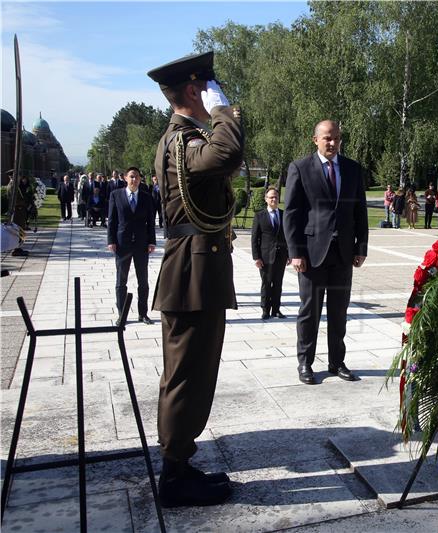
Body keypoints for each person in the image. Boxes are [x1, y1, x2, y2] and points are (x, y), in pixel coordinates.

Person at [148, 50, 243, 507]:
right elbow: (226, 152)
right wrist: (225, 112)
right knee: (187, 375)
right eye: (208, 87)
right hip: (191, 272)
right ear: (193, 90)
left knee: (194, 373)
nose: (214, 95)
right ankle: (174, 476)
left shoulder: (183, 140)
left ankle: (180, 463)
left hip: (196, 268)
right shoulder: (183, 141)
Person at [284, 119, 369, 385]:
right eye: (327, 138)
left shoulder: (353, 169)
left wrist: (361, 247)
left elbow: (360, 211)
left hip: (343, 253)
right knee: (309, 311)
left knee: (339, 311)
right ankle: (305, 363)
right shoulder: (300, 168)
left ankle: (336, 362)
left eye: (336, 138)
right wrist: (295, 252)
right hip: (311, 254)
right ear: (315, 140)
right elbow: (292, 214)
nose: (332, 143)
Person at [107, 167, 156, 325]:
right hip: (123, 244)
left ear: (140, 179)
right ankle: (122, 315)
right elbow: (112, 220)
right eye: (132, 177)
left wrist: (152, 241)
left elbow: (151, 222)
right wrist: (111, 241)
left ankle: (143, 314)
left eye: (137, 177)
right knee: (121, 281)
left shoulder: (146, 197)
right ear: (125, 178)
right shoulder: (116, 195)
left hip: (141, 244)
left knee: (143, 281)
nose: (134, 180)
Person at [251, 186, 289, 320]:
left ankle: (276, 310)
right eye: (271, 197)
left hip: (281, 256)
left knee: (278, 284)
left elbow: (288, 236)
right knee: (266, 283)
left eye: (276, 197)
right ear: (266, 199)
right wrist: (256, 257)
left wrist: (289, 254)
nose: (274, 199)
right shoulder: (259, 216)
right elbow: (254, 238)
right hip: (265, 257)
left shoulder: (284, 215)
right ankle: (265, 309)